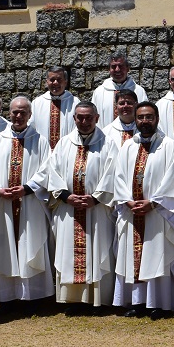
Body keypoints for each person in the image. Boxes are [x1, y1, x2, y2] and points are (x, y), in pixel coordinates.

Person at [108, 102, 174, 319]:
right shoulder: (128, 146)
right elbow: (119, 176)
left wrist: (153, 202)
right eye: (140, 117)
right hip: (132, 212)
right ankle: (137, 302)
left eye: (149, 117)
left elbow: (173, 177)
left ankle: (159, 303)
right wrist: (128, 201)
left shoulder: (169, 145)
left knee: (158, 255)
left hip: (158, 212)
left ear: (157, 119)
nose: (144, 121)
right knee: (133, 257)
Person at [47, 101, 118, 310]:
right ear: (74, 119)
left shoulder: (108, 144)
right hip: (69, 209)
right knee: (68, 253)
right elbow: (53, 172)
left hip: (96, 209)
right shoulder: (63, 143)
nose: (84, 121)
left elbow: (112, 172)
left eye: (89, 117)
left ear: (97, 118)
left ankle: (98, 299)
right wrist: (66, 196)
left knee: (98, 251)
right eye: (80, 117)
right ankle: (73, 299)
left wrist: (95, 198)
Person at [0, 96, 54, 309]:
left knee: (31, 244)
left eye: (23, 112)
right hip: (4, 204)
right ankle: (7, 298)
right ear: (9, 113)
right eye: (15, 112)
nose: (18, 116)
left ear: (30, 115)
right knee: (5, 246)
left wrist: (26, 188)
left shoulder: (40, 140)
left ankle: (32, 297)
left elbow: (47, 169)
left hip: (30, 202)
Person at [91, 52, 148, 122]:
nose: (117, 69)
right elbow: (92, 117)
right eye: (113, 66)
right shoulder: (99, 92)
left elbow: (145, 114)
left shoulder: (139, 91)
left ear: (128, 68)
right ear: (109, 69)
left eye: (121, 66)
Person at [30, 66, 76, 150]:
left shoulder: (75, 103)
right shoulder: (37, 103)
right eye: (52, 80)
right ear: (47, 82)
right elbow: (30, 128)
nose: (55, 83)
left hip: (67, 151)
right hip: (42, 152)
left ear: (65, 82)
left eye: (59, 80)